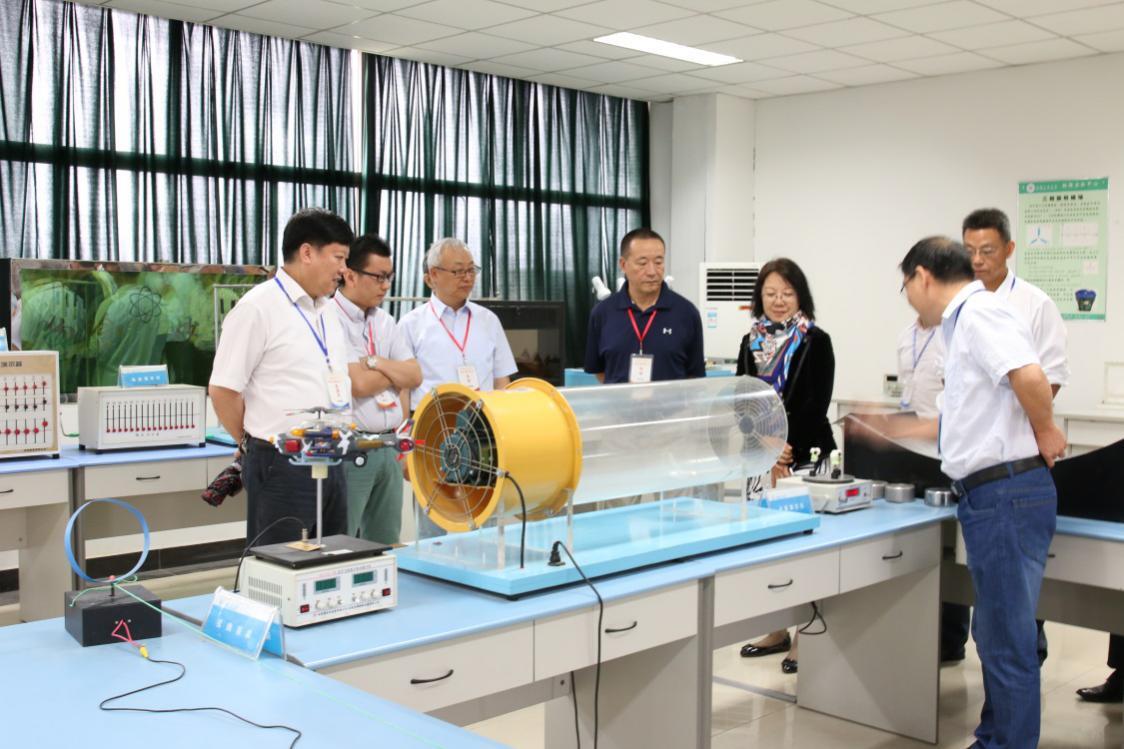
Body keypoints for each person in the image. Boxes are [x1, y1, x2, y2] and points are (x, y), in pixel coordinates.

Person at [900, 235, 1065, 749]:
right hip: (992, 494)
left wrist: (1046, 430)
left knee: (1006, 639)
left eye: (906, 286)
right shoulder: (966, 321)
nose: (909, 298)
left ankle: (1007, 743)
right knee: (994, 633)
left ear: (923, 275)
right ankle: (993, 736)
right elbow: (972, 415)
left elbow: (1029, 375)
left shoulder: (978, 313)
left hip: (1005, 493)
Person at [963, 207, 1070, 667]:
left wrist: (1021, 413)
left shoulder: (1034, 304)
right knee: (993, 601)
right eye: (970, 251)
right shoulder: (963, 305)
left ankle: (1023, 670)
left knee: (1016, 608)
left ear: (1009, 249)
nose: (978, 260)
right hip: (975, 465)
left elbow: (1050, 378)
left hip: (1016, 462)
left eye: (987, 250)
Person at [209, 208, 353, 547]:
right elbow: (223, 389)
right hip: (282, 462)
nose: (344, 270)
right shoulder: (258, 308)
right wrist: (249, 443)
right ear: (307, 253)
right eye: (338, 258)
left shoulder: (327, 311)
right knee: (278, 563)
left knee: (332, 560)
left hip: (332, 457)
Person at [736, 258, 835, 674]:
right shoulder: (750, 342)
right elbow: (741, 400)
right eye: (771, 293)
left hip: (804, 458)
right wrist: (765, 445)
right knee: (767, 551)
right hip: (761, 459)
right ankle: (775, 629)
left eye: (787, 293)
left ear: (800, 296)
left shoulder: (816, 340)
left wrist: (784, 446)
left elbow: (816, 403)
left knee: (805, 549)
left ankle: (805, 634)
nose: (779, 301)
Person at [332, 234, 421, 544]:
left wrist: (374, 362)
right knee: (343, 541)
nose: (385, 286)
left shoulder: (385, 321)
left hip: (390, 445)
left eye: (389, 278)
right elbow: (358, 385)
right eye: (378, 277)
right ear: (350, 275)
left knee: (386, 541)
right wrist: (392, 371)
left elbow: (414, 375)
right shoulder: (329, 318)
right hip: (351, 447)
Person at [400, 237, 517, 405]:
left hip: (482, 417)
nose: (468, 278)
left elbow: (501, 380)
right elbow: (403, 388)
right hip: (431, 418)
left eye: (471, 270)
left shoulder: (489, 320)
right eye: (458, 271)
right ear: (434, 274)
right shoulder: (410, 324)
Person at [584, 228, 704, 384]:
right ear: (623, 265)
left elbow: (694, 375)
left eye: (658, 262)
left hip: (671, 401)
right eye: (642, 263)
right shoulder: (602, 313)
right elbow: (599, 371)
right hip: (620, 400)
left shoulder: (686, 313)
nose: (652, 271)